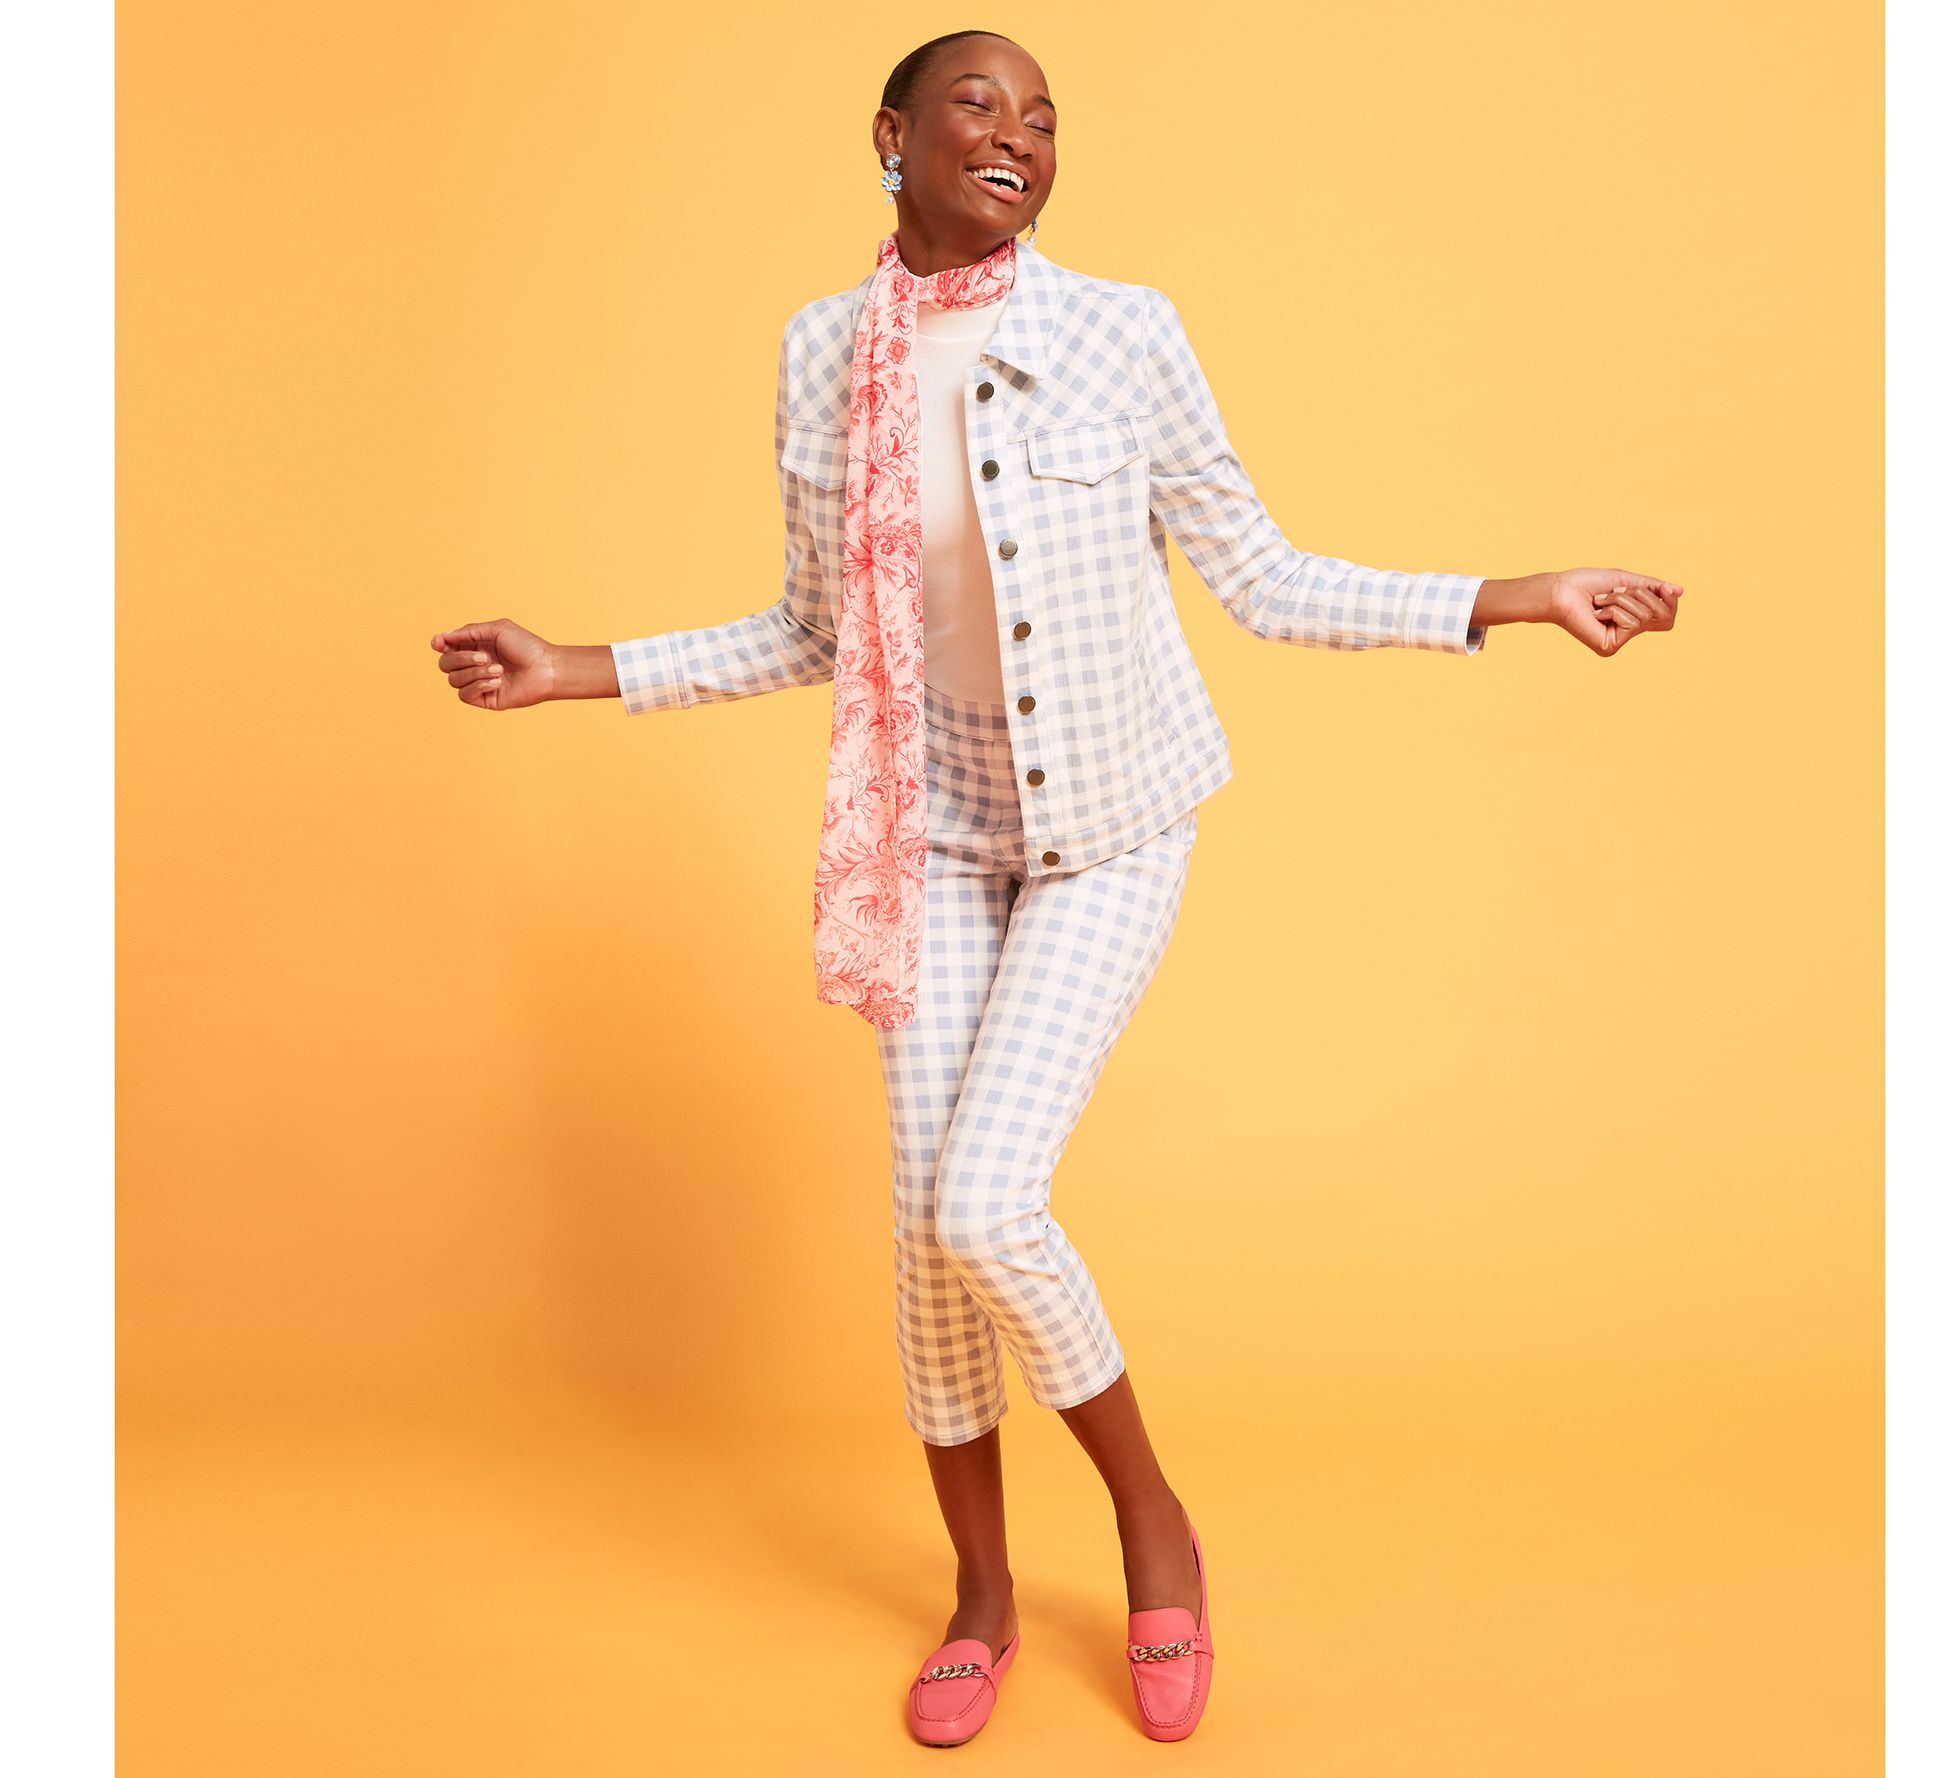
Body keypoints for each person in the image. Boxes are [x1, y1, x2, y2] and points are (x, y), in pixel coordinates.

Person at [429, 28, 1684, 1747]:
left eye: (1042, 118)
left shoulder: (1123, 329)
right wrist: (574, 667)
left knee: (984, 1201)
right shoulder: (821, 350)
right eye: (980, 104)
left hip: (1112, 827)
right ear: (892, 135)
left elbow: (1264, 577)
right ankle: (983, 1594)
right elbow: (816, 626)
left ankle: (1153, 1518)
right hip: (931, 833)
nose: (1018, 134)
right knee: (923, 1238)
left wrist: (1511, 593)